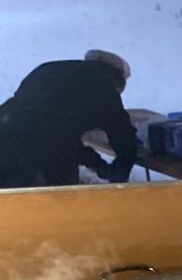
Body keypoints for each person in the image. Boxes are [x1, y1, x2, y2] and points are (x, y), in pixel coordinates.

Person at [0, 50, 138, 188]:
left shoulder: (48, 70)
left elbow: (48, 119)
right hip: (33, 152)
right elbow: (121, 132)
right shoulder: (101, 85)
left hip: (5, 127)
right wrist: (120, 165)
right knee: (59, 199)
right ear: (115, 78)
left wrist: (92, 159)